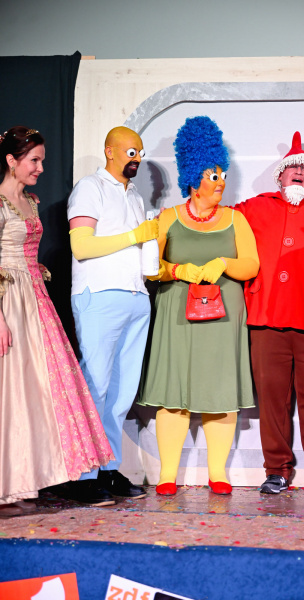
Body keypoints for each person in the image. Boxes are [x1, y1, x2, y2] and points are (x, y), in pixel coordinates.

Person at [138, 116, 259, 495]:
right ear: (193, 176)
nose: (221, 181)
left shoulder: (236, 219)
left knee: (220, 392)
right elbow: (149, 268)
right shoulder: (168, 218)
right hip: (177, 317)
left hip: (224, 320)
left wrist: (223, 263)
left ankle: (218, 473)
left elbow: (252, 265)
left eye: (223, 174)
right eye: (213, 175)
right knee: (174, 392)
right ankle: (167, 474)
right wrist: (178, 270)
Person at [0, 126, 114, 517]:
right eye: (34, 160)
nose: (40, 168)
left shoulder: (30, 201)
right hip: (8, 302)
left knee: (34, 392)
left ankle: (23, 479)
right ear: (12, 161)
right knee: (10, 391)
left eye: (42, 160)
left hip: (35, 300)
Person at [235, 131, 304, 495]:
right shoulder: (252, 208)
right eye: (293, 167)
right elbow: (217, 227)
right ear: (279, 175)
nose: (299, 172)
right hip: (266, 318)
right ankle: (276, 469)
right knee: (272, 401)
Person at [66, 126, 159, 506]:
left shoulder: (134, 195)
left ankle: (107, 467)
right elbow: (81, 246)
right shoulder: (90, 188)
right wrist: (136, 236)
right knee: (97, 386)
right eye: (131, 151)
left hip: (135, 296)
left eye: (140, 152)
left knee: (122, 394)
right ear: (110, 151)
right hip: (100, 295)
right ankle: (84, 475)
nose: (137, 158)